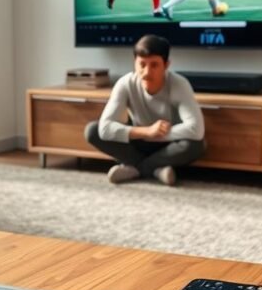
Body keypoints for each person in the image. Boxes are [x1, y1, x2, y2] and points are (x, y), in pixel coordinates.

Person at [84, 34, 205, 186]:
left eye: (154, 65)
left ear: (166, 65)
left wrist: (157, 135)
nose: (147, 72)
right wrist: (146, 132)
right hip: (138, 140)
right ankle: (156, 169)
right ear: (135, 63)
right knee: (92, 131)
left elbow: (196, 129)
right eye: (142, 64)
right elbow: (104, 129)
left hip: (169, 142)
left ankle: (136, 168)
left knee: (195, 145)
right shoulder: (125, 83)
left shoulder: (179, 84)